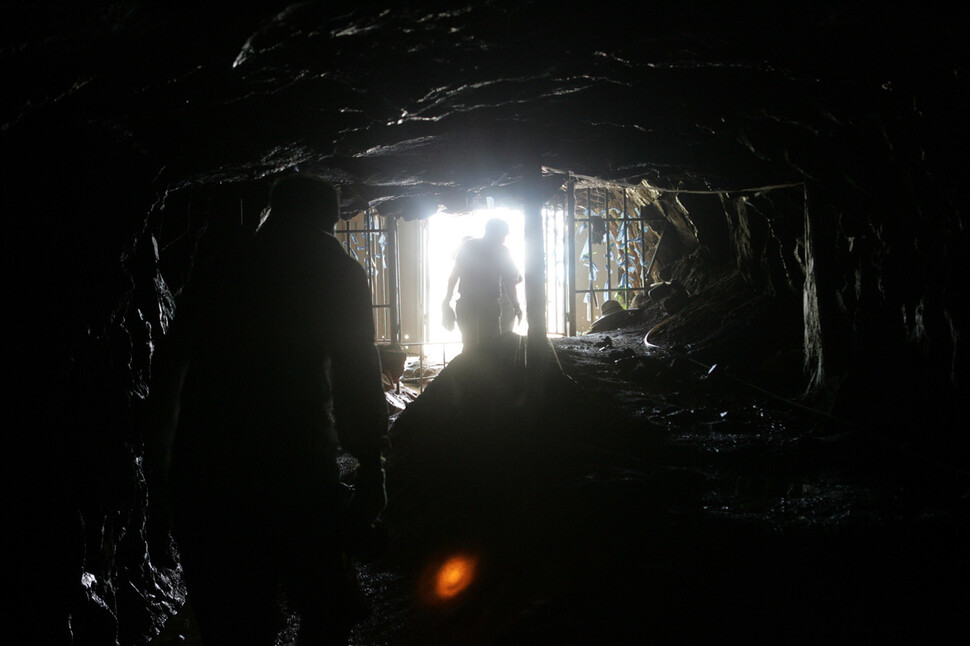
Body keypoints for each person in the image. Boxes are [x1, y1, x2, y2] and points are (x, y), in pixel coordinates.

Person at [146, 174, 389, 646]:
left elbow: (170, 363)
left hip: (212, 469)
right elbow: (358, 369)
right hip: (296, 464)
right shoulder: (335, 269)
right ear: (328, 217)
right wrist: (371, 462)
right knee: (325, 607)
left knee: (235, 618)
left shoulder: (223, 265)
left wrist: (162, 475)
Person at [442, 218, 522, 349]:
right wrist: (516, 305)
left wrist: (447, 300)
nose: (504, 239)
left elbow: (454, 275)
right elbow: (509, 281)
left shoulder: (470, 246)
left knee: (468, 343)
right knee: (490, 345)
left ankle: (469, 367)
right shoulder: (502, 251)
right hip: (488, 305)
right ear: (497, 233)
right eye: (503, 235)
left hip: (467, 303)